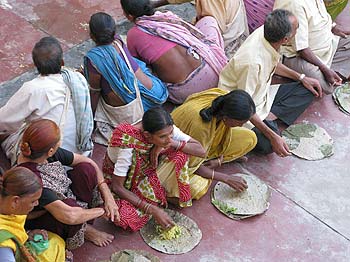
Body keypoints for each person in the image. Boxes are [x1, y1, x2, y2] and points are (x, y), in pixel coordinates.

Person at [218, 9, 322, 156]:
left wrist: (301, 77)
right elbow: (244, 105)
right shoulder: (251, 64)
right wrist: (272, 136)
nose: (298, 31)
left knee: (308, 90)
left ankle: (268, 118)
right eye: (296, 29)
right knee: (267, 146)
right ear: (285, 40)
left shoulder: (267, 32)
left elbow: (273, 63)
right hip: (243, 104)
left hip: (262, 95)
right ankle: (267, 123)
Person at [16, 119, 119, 250]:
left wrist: (107, 196)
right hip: (43, 216)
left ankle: (84, 219)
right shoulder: (33, 180)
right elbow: (70, 216)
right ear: (51, 151)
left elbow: (88, 162)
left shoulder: (43, 154)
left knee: (86, 169)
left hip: (61, 200)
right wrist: (102, 210)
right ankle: (85, 229)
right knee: (70, 210)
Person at [102, 107, 209, 231]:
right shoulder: (127, 145)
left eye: (171, 134)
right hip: (123, 182)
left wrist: (165, 145)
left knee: (180, 154)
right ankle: (154, 198)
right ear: (147, 135)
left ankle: (154, 194)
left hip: (145, 171)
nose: (169, 138)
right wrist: (151, 209)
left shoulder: (165, 129)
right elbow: (117, 187)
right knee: (124, 217)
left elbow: (200, 150)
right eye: (163, 137)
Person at [0, 37, 93, 165]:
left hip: (50, 159)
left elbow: (3, 121)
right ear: (62, 62)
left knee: (9, 132)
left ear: (36, 66)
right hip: (80, 153)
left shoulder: (33, 89)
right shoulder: (78, 79)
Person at [84, 12, 168, 145]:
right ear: (114, 31)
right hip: (155, 94)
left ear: (92, 35)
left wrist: (89, 117)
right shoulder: (118, 41)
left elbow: (95, 91)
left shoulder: (93, 59)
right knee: (137, 65)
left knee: (90, 90)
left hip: (133, 110)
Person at [121, 0, 227, 104]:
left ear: (129, 16)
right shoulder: (166, 17)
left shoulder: (133, 35)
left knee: (137, 68)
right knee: (208, 21)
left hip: (186, 92)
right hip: (213, 73)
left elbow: (137, 65)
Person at [172, 88, 257, 191]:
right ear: (226, 117)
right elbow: (189, 164)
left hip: (202, 142)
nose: (241, 125)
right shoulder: (201, 128)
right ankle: (204, 163)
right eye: (240, 122)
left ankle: (209, 161)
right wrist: (226, 178)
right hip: (176, 151)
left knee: (250, 138)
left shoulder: (223, 97)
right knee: (196, 188)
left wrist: (220, 159)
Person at [273, 0, 350, 94]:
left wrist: (333, 27)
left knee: (328, 81)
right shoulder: (295, 4)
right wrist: (324, 69)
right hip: (298, 56)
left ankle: (332, 73)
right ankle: (331, 72)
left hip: (327, 44)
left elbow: (321, 14)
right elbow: (302, 49)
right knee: (326, 87)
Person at [0, 167, 66, 262]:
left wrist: (27, 234)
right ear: (15, 201)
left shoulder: (7, 205)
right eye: (33, 201)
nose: (37, 204)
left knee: (56, 241)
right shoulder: (4, 247)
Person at [150, 0, 250, 58]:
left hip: (225, 42)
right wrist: (150, 5)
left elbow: (214, 30)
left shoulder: (211, 7)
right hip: (230, 29)